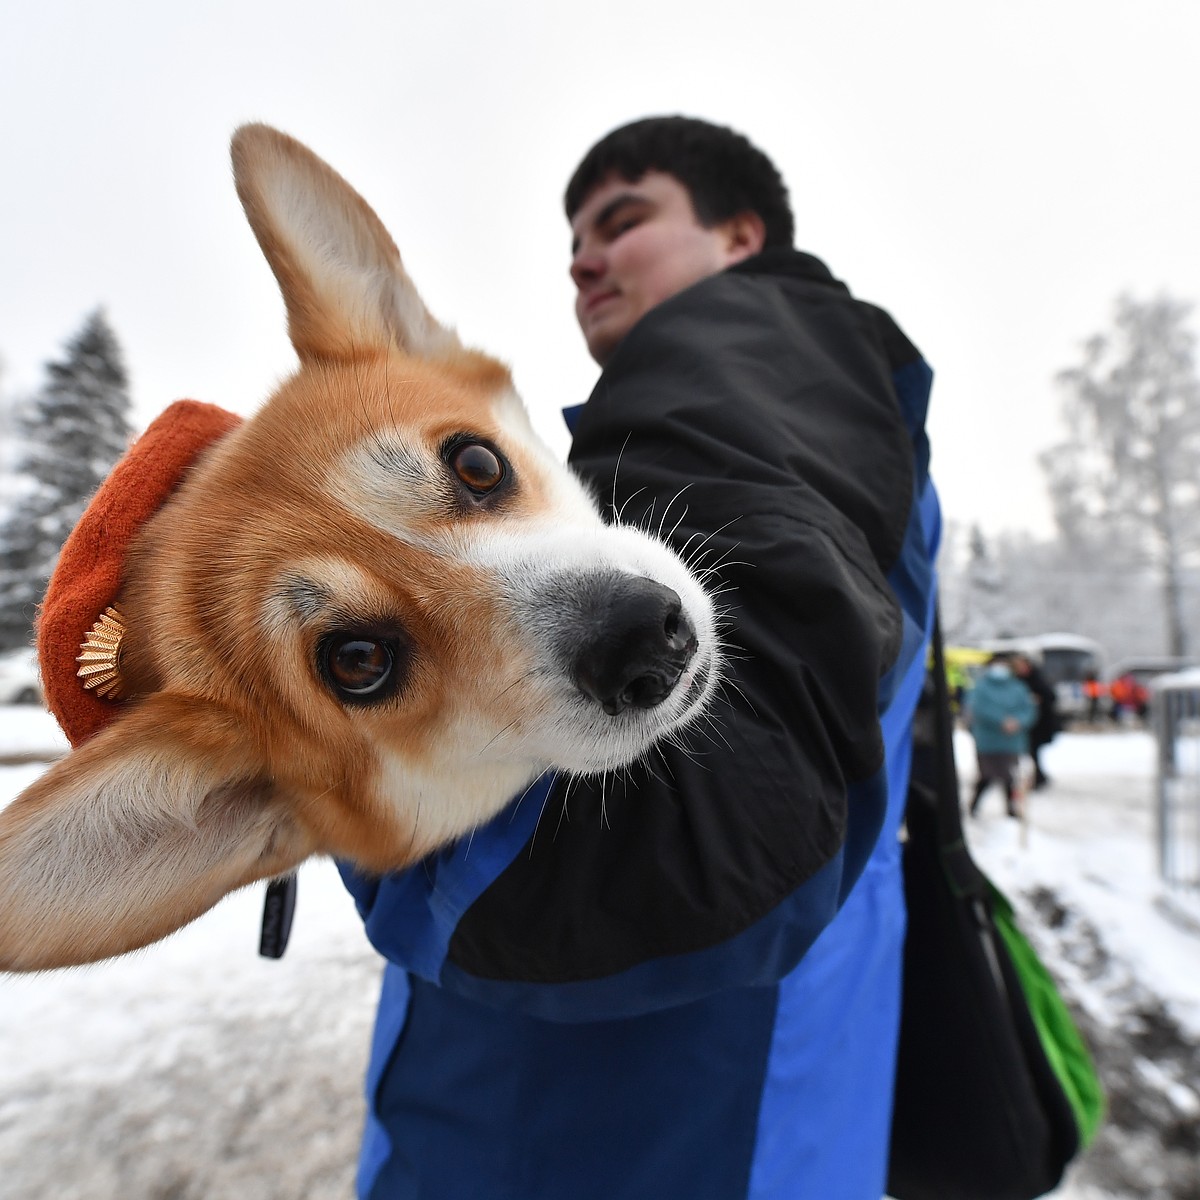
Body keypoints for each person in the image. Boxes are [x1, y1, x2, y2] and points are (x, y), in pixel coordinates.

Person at [338, 115, 939, 1200]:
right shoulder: (794, 407)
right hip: (739, 1120)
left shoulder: (739, 351)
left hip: (616, 1140)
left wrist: (301, 681)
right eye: (574, 240)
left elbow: (702, 838)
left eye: (625, 220)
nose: (583, 257)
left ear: (741, 237)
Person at [966, 653, 1037, 817]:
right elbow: (978, 709)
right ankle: (974, 805)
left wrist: (1018, 721)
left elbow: (1028, 710)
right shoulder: (981, 687)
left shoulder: (1018, 687)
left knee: (1010, 777)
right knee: (986, 775)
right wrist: (1001, 721)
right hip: (987, 740)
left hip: (1012, 742)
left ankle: (1011, 809)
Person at [1013, 652, 1060, 789]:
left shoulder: (1038, 679)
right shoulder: (1017, 680)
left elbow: (1050, 697)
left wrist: (1037, 699)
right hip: (1025, 724)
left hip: (1039, 724)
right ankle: (1037, 777)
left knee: (1034, 752)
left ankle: (1039, 778)